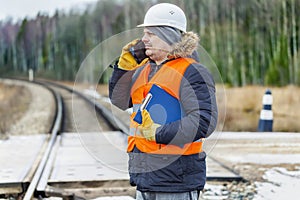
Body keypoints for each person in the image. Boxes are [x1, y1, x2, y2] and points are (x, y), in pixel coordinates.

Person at [109, 3, 218, 200]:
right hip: (145, 178)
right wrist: (123, 67)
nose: (143, 39)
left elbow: (204, 122)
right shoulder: (144, 69)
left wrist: (157, 133)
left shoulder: (192, 72)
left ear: (168, 35)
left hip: (176, 182)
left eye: (150, 34)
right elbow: (119, 99)